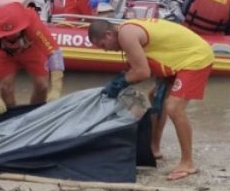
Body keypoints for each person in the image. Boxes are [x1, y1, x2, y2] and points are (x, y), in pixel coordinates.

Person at [87, 18, 215, 181]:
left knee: (174, 107)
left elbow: (142, 72)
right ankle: (154, 147)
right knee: (154, 96)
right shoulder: (125, 31)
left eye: (103, 45)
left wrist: (117, 83)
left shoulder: (126, 35)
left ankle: (187, 163)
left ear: (109, 34)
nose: (106, 51)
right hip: (178, 57)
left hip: (195, 57)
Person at [0, 1, 64, 113]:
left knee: (42, 86)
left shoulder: (31, 19)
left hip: (32, 50)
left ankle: (35, 114)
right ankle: (12, 117)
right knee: (5, 88)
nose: (10, 36)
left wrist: (56, 87)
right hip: (4, 55)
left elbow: (53, 51)